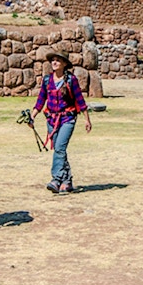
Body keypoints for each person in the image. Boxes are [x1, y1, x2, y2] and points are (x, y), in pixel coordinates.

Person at [30, 49, 92, 194]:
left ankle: (56, 179)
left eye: (58, 60)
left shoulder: (71, 80)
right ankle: (67, 181)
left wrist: (87, 120)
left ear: (64, 63)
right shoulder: (47, 80)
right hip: (51, 119)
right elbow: (40, 100)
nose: (55, 62)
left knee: (59, 149)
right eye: (53, 60)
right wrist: (32, 116)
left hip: (67, 119)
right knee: (60, 151)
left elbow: (80, 101)